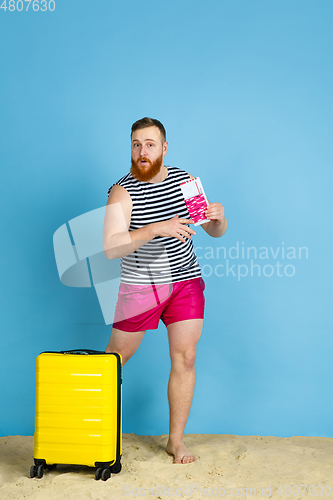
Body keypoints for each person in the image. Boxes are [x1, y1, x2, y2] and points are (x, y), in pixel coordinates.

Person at [103, 117, 227, 464]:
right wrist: (155, 229)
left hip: (185, 283)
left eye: (150, 144)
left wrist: (218, 219)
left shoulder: (185, 181)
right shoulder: (121, 191)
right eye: (136, 144)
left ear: (164, 148)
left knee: (185, 357)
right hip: (141, 286)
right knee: (114, 360)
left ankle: (175, 441)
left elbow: (214, 231)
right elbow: (111, 247)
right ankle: (93, 429)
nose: (143, 151)